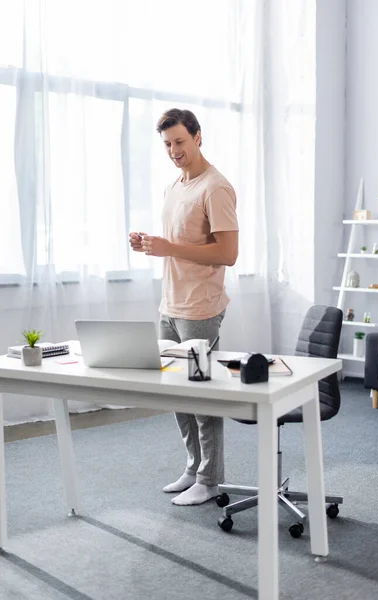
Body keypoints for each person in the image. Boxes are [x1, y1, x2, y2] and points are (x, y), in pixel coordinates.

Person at [129, 108, 239, 506]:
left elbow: (228, 253)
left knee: (200, 394)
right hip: (170, 305)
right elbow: (179, 243)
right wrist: (149, 243)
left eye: (179, 141)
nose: (173, 150)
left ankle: (211, 479)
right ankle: (194, 467)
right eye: (167, 144)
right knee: (176, 393)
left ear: (197, 137)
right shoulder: (175, 185)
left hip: (200, 309)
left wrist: (169, 248)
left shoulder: (216, 187)